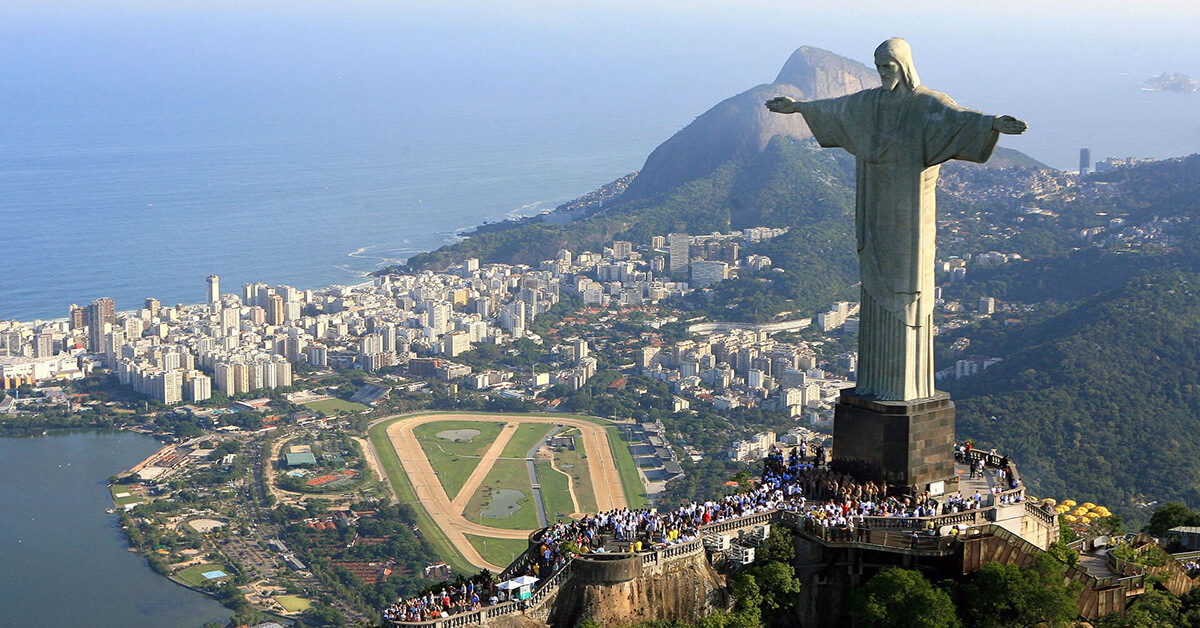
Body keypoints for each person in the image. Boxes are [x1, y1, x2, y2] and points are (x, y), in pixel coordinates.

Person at [766, 38, 1026, 401]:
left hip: (910, 209)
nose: (882, 72)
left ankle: (907, 386)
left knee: (908, 282)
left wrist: (993, 124)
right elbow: (835, 108)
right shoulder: (869, 102)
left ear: (903, 65)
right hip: (875, 204)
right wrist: (798, 108)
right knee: (874, 278)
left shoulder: (926, 104)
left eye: (888, 66)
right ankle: (876, 384)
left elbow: (958, 118)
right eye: (878, 66)